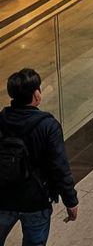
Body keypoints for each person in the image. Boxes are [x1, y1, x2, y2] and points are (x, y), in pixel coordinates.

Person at [0, 66, 77, 242]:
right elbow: (59, 167)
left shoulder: (1, 120)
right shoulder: (48, 126)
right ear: (36, 95)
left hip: (3, 197)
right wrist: (71, 201)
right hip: (36, 200)